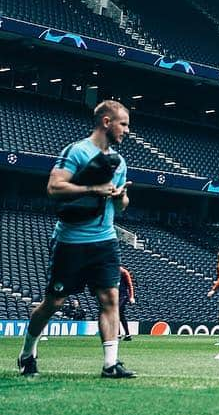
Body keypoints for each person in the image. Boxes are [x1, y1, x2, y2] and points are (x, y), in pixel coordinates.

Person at [17, 99, 135, 379]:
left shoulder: (119, 162)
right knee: (54, 303)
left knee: (110, 299)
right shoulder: (77, 151)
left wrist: (121, 198)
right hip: (71, 242)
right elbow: (54, 187)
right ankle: (27, 353)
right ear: (106, 122)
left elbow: (120, 205)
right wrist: (94, 188)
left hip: (105, 240)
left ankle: (110, 364)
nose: (127, 130)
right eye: (124, 124)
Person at [118, 265, 135, 341]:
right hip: (116, 296)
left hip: (123, 296)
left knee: (117, 312)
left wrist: (131, 297)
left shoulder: (124, 272)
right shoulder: (113, 272)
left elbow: (130, 285)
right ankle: (127, 335)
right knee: (120, 315)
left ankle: (120, 334)